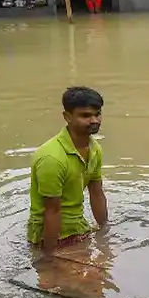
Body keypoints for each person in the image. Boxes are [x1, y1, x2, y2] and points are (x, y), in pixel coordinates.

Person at [28, 86, 108, 267]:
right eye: (85, 116)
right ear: (67, 117)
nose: (94, 120)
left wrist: (105, 232)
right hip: (51, 236)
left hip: (78, 228)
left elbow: (96, 192)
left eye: (97, 114)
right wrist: (49, 256)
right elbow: (52, 210)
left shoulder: (94, 149)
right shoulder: (52, 158)